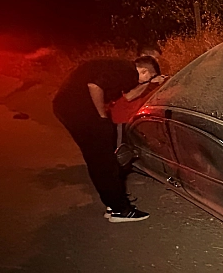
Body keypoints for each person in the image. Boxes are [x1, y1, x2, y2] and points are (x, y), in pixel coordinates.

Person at [52, 56, 162, 222]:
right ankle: (120, 210)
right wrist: (102, 116)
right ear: (144, 70)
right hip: (80, 110)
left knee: (98, 159)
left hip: (67, 108)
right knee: (103, 160)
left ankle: (113, 203)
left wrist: (149, 82)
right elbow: (94, 85)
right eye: (149, 76)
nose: (146, 80)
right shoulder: (127, 70)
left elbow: (129, 96)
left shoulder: (118, 68)